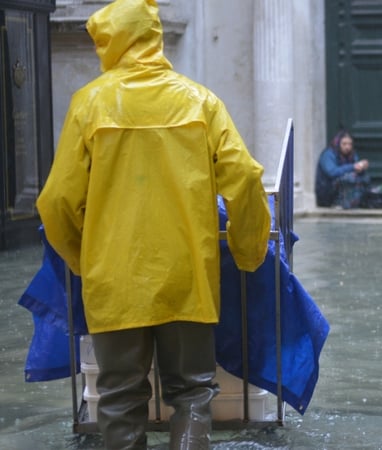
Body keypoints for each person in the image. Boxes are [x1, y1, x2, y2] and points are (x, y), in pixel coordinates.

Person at [35, 0, 271, 448]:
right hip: (187, 278)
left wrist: (83, 260)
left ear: (115, 42)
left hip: (114, 280)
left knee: (120, 398)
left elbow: (56, 202)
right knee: (193, 393)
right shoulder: (201, 102)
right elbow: (245, 178)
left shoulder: (89, 104)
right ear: (154, 37)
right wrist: (248, 250)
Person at [315, 130, 371, 209]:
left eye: (350, 144)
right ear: (338, 143)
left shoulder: (352, 155)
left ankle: (356, 202)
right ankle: (338, 203)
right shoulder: (328, 154)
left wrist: (361, 168)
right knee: (350, 178)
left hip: (345, 188)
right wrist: (352, 167)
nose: (347, 147)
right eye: (344, 144)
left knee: (364, 177)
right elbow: (332, 172)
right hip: (328, 190)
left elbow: (355, 168)